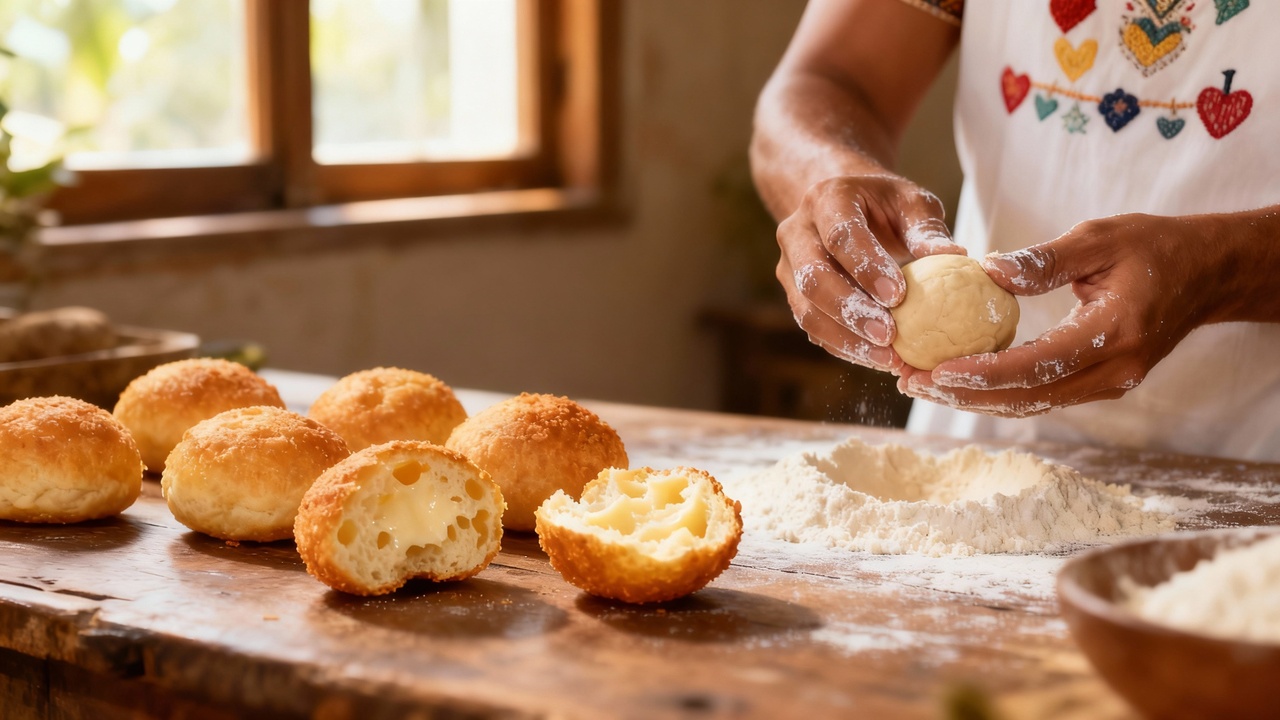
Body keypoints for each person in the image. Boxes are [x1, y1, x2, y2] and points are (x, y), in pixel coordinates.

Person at [750, 0, 1280, 462]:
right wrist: (831, 184)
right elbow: (826, 79)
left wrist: (1226, 267)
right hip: (981, 456)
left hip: (1258, 460)